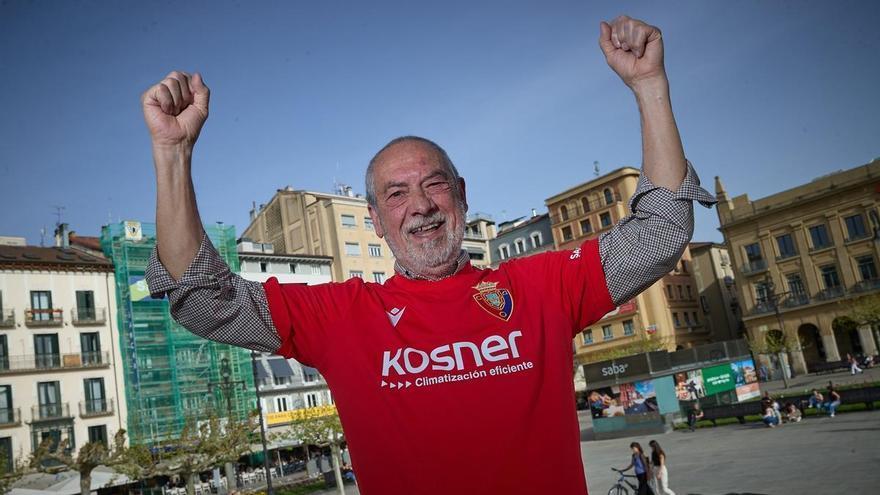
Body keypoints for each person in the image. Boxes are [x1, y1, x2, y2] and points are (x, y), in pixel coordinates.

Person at [141, 15, 715, 495]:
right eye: (396, 194)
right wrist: (173, 152)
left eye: (434, 184)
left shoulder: (542, 286)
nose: (420, 205)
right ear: (375, 219)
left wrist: (650, 85)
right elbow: (204, 301)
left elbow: (661, 235)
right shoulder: (341, 317)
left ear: (461, 196)